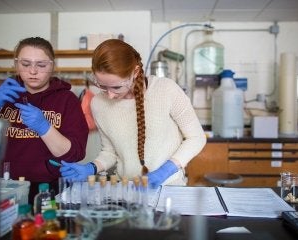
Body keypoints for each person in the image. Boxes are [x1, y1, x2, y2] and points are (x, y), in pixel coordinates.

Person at [60, 39, 206, 189]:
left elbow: (196, 138)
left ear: (135, 72)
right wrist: (91, 167)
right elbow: (110, 152)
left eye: (116, 87)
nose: (109, 96)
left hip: (170, 188)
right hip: (126, 189)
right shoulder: (98, 104)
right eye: (102, 86)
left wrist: (166, 171)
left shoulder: (166, 90)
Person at [0, 37, 89, 204]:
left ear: (52, 65)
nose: (33, 71)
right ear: (16, 64)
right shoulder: (2, 92)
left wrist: (44, 127)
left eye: (41, 65)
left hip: (45, 188)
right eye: (25, 64)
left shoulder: (67, 99)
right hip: (0, 184)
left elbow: (74, 153)